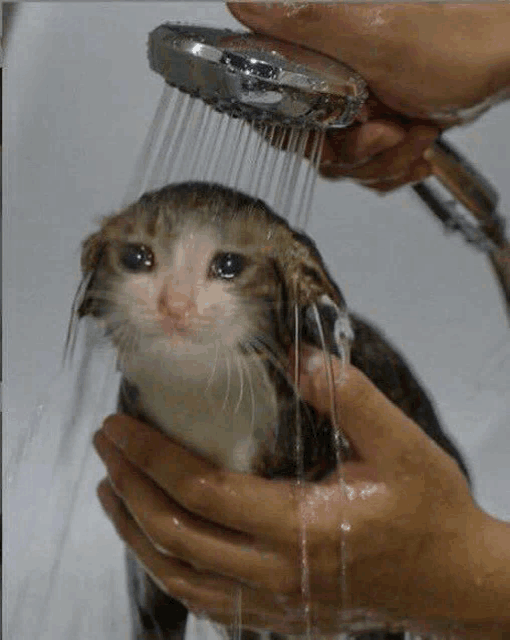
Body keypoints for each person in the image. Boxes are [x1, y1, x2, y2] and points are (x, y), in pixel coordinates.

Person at [93, 4, 510, 637]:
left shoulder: (323, 362)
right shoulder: (149, 374)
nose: (175, 306)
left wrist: (465, 584)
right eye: (142, 259)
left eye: (227, 266)